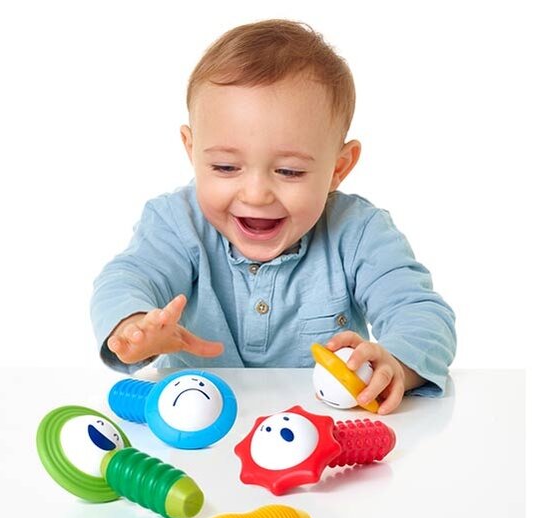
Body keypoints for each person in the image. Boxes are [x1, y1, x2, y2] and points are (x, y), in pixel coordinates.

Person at [91, 19, 456, 414]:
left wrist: (397, 363)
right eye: (226, 167)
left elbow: (420, 313)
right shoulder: (176, 222)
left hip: (325, 429)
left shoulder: (359, 232)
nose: (255, 194)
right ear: (191, 150)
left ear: (338, 167)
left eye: (289, 171)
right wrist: (134, 326)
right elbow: (127, 277)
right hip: (195, 427)